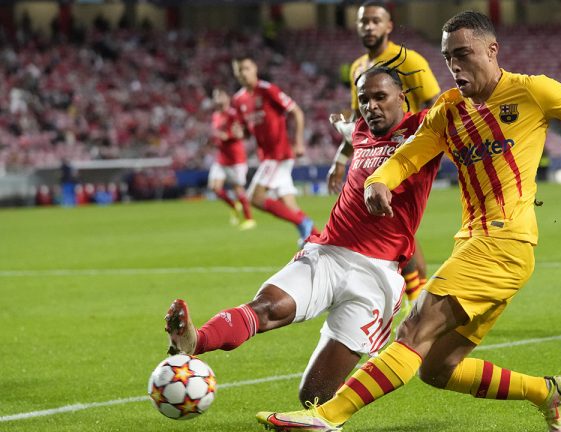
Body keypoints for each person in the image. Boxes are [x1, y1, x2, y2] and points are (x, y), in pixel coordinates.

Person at [257, 11, 561, 432]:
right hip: (475, 245)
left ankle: (327, 417)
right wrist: (379, 180)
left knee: (415, 326)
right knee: (437, 368)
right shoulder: (447, 110)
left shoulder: (531, 92)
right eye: (448, 57)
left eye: (463, 54)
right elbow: (410, 154)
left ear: (492, 50)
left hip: (506, 242)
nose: (454, 66)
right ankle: (549, 392)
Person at [165, 64, 442, 405]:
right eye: (365, 99)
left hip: (376, 277)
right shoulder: (360, 130)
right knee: (268, 308)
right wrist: (339, 162)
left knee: (313, 396)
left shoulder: (426, 128)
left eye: (380, 97)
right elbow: (348, 133)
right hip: (327, 253)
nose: (371, 106)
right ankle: (195, 341)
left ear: (402, 97)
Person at [328, 0, 442, 306]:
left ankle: (417, 305)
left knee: (398, 231)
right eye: (363, 21)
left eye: (375, 21)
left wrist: (420, 145)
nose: (368, 27)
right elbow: (358, 122)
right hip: (372, 160)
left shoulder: (409, 60)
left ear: (389, 26)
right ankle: (417, 305)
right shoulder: (357, 68)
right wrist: (341, 159)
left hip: (408, 158)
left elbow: (436, 104)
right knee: (396, 232)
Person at [231, 56, 317, 245]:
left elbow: (297, 112)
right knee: (289, 205)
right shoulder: (238, 100)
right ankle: (319, 240)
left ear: (254, 68)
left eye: (245, 68)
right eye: (238, 70)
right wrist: (240, 133)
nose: (242, 73)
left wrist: (299, 142)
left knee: (255, 198)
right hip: (267, 157)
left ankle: (303, 222)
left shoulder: (268, 90)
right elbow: (246, 132)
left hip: (278, 155)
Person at [207, 87, 255, 230]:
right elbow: (216, 134)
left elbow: (241, 134)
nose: (217, 99)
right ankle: (234, 206)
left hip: (236, 159)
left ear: (227, 98)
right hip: (221, 158)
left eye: (220, 96)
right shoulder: (215, 115)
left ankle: (249, 219)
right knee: (214, 188)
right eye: (215, 97)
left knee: (237, 188)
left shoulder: (233, 114)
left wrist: (226, 136)